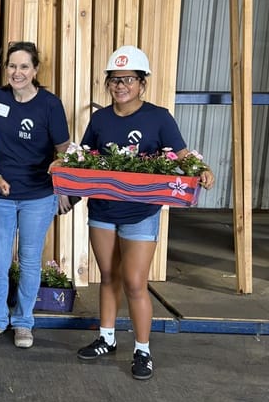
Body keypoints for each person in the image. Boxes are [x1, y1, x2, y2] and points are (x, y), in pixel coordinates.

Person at [73, 45, 214, 380]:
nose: (120, 86)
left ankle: (142, 349)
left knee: (136, 283)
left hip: (140, 212)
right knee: (108, 277)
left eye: (128, 79)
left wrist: (201, 169)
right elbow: (85, 157)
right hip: (103, 210)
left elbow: (180, 155)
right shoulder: (100, 119)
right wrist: (64, 165)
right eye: (114, 80)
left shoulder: (159, 117)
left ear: (142, 83)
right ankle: (106, 338)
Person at [0, 41, 72, 348]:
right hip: (1, 194)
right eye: (12, 66)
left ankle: (23, 322)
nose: (17, 72)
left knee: (29, 260)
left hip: (39, 194)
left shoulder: (50, 105)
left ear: (35, 70)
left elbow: (64, 151)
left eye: (24, 66)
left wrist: (63, 188)